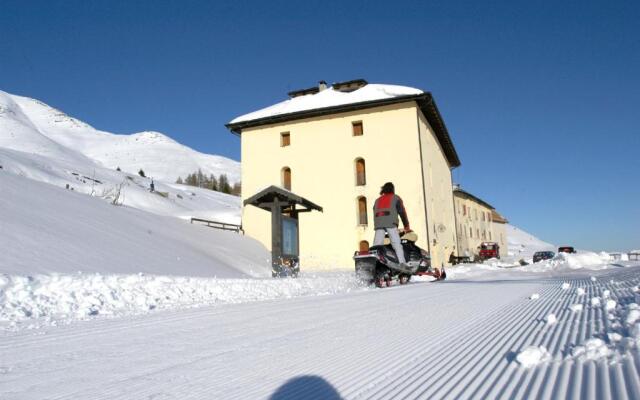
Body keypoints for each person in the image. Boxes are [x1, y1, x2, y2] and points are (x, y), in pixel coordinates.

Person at [373, 182, 411, 270]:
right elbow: (402, 212)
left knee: (377, 244)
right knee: (396, 243)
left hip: (378, 223)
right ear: (392, 189)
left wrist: (378, 222)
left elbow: (374, 210)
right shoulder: (396, 198)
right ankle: (402, 263)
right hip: (391, 223)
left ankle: (375, 263)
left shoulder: (377, 200)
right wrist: (406, 226)